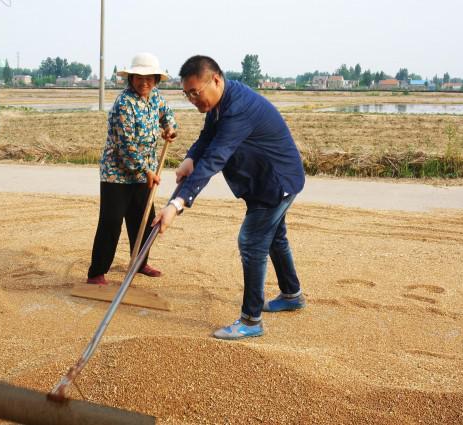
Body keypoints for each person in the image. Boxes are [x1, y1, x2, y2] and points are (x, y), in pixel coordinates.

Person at [153, 55, 305, 340]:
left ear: (216, 80)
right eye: (187, 95)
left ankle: (251, 319)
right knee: (275, 237)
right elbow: (207, 137)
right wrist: (189, 158)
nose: (193, 100)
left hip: (276, 182)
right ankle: (292, 294)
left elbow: (216, 157)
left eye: (196, 93)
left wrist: (177, 204)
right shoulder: (220, 102)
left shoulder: (238, 109)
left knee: (251, 241)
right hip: (265, 179)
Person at [87, 52, 177, 284]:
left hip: (145, 171)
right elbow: (125, 145)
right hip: (117, 173)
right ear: (131, 78)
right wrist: (144, 170)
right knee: (111, 222)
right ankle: (97, 272)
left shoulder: (155, 97)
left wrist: (169, 127)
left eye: (149, 78)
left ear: (156, 80)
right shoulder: (123, 104)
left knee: (143, 220)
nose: (144, 82)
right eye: (139, 77)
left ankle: (140, 262)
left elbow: (166, 114)